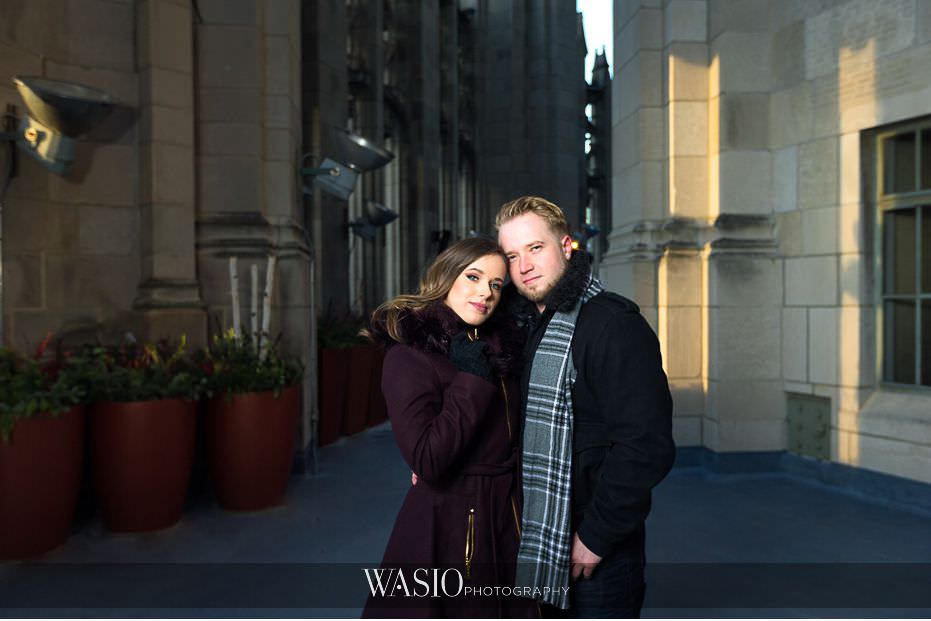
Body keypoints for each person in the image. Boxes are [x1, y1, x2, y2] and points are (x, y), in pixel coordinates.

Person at [496, 196, 676, 618]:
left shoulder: (613, 325)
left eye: (535, 248)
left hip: (598, 545)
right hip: (544, 536)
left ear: (565, 245)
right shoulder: (531, 330)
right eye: (512, 255)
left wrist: (597, 536)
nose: (524, 266)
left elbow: (646, 444)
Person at [362, 237, 537, 619]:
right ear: (446, 277)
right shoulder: (409, 355)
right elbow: (428, 459)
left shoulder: (499, 347)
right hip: (453, 522)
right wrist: (473, 379)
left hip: (509, 512)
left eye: (495, 284)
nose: (485, 292)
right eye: (473, 277)